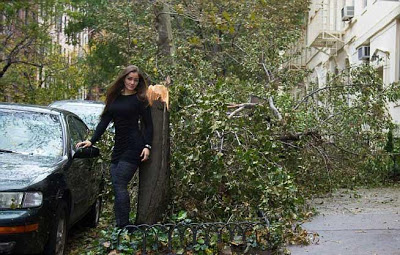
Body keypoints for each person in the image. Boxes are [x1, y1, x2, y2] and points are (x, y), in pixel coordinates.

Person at [76, 65, 153, 228]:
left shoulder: (140, 99)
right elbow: (104, 122)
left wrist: (147, 146)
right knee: (117, 184)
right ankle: (120, 227)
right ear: (123, 79)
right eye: (129, 79)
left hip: (134, 146)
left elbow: (149, 125)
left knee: (119, 182)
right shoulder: (114, 98)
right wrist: (92, 141)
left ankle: (124, 227)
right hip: (118, 148)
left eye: (135, 80)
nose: (132, 83)